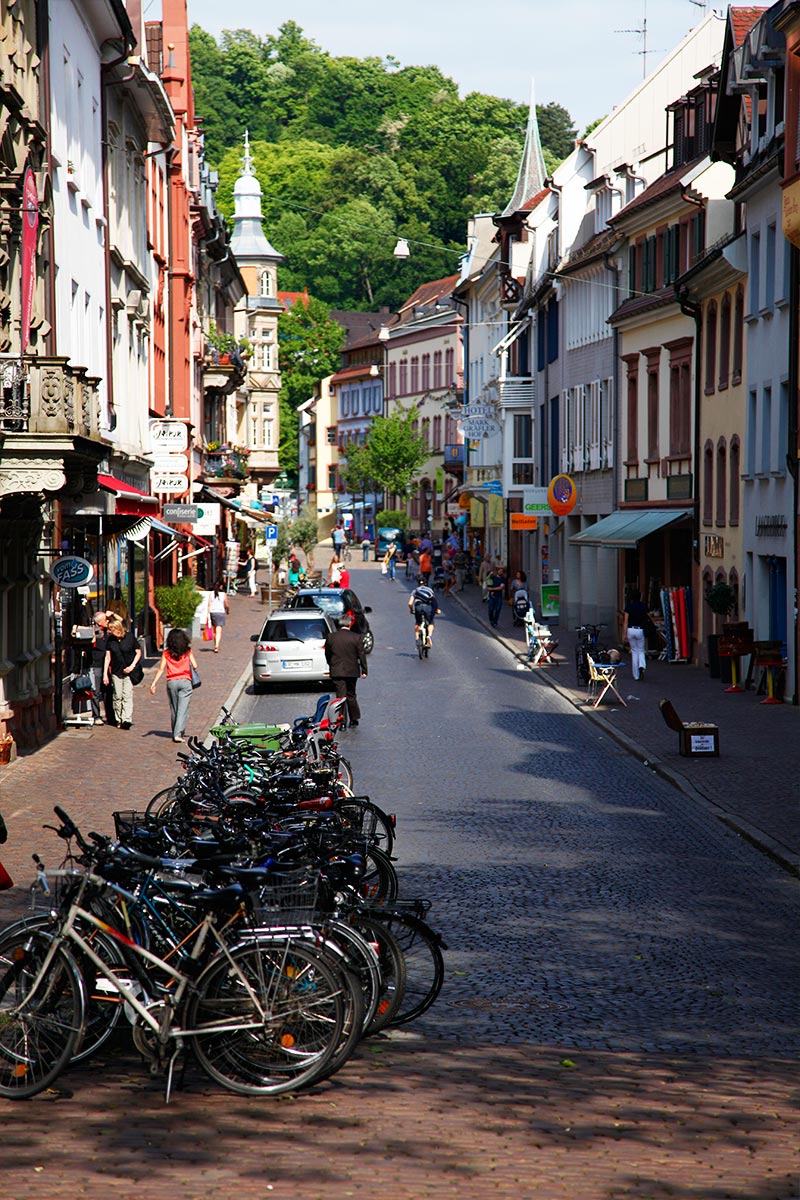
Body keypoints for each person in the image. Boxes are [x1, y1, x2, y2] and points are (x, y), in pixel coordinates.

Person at [149, 628, 199, 743]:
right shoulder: (187, 651)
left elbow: (161, 669)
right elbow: (195, 665)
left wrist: (154, 683)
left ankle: (176, 730)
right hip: (185, 681)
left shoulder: (166, 653)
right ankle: (178, 733)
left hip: (171, 682)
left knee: (174, 708)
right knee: (183, 708)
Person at [324, 613, 367, 728]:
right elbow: (361, 655)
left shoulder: (331, 637)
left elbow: (327, 654)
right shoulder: (356, 637)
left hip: (337, 670)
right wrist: (364, 670)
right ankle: (354, 718)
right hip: (352, 671)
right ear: (350, 624)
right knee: (351, 695)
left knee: (340, 696)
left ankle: (341, 721)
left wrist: (331, 665)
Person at [103, 614, 142, 730]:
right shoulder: (111, 640)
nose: (109, 631)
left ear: (117, 629)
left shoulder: (129, 637)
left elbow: (138, 652)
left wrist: (132, 666)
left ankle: (126, 720)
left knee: (127, 695)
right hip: (116, 671)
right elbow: (108, 657)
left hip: (129, 671)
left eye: (111, 629)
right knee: (117, 696)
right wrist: (105, 674)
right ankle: (118, 718)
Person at [89, 611, 115, 725]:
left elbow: (122, 623)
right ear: (99, 622)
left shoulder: (108, 632)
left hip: (108, 665)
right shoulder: (94, 632)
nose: (108, 621)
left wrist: (111, 616)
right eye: (105, 620)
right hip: (97, 664)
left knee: (108, 691)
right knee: (96, 691)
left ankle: (110, 716)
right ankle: (96, 716)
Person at [622, 587, 649, 681]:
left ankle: (636, 675)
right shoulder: (643, 606)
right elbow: (646, 618)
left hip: (631, 629)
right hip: (640, 629)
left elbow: (625, 621)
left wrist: (624, 634)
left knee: (634, 651)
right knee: (641, 650)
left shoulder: (629, 606)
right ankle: (642, 665)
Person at [408, 577, 439, 646]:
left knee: (418, 623)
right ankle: (429, 636)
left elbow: (410, 603)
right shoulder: (430, 590)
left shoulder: (415, 591)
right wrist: (436, 610)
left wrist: (411, 610)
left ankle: (417, 640)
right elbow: (433, 601)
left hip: (418, 607)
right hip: (428, 607)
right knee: (431, 622)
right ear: (426, 583)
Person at [206, 584, 229, 653]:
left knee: (214, 630)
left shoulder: (211, 594)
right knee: (219, 630)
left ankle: (215, 645)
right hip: (220, 612)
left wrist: (208, 613)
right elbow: (226, 604)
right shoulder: (223, 594)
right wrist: (227, 609)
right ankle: (217, 645)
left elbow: (209, 605)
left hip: (213, 612)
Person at [486, 563, 506, 628]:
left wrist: (493, 589)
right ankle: (491, 619)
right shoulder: (493, 577)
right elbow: (488, 587)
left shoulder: (503, 579)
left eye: (502, 571)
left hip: (499, 596)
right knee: (490, 609)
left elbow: (501, 587)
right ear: (497, 571)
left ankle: (495, 622)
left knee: (498, 609)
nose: (501, 572)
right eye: (500, 570)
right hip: (492, 596)